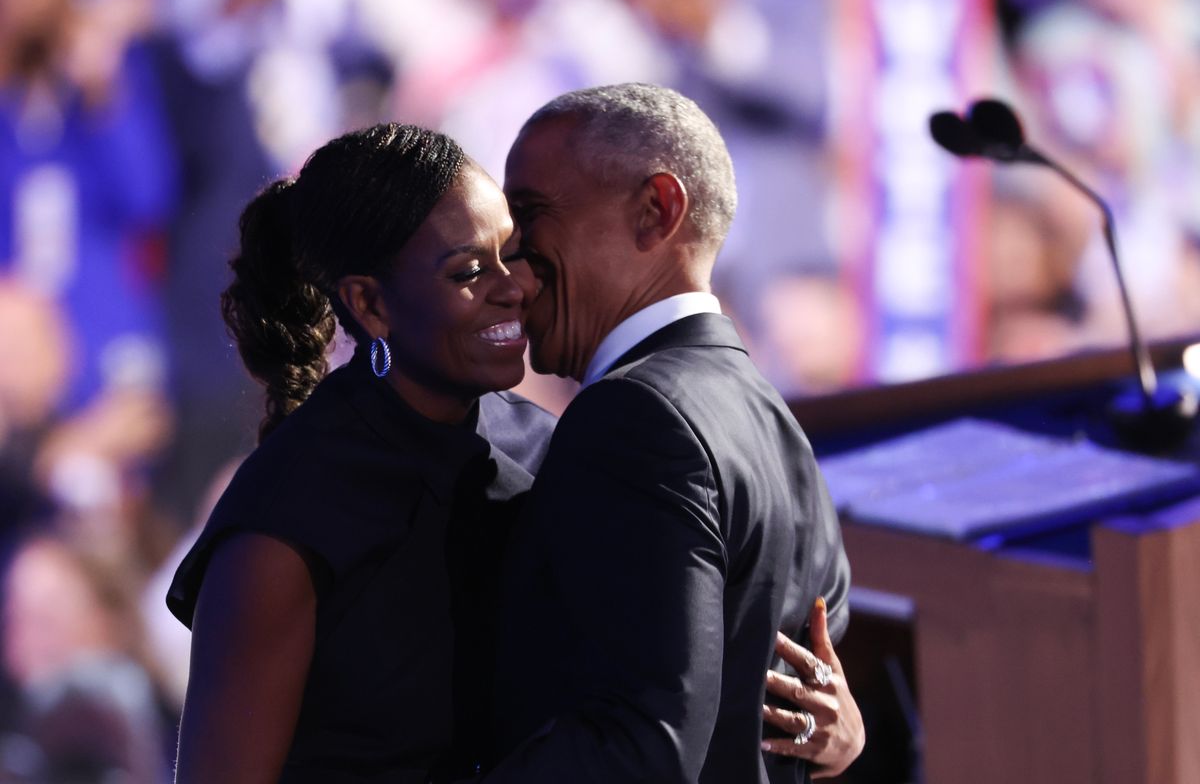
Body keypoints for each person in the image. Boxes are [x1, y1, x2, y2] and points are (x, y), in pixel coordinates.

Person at [483, 83, 854, 783]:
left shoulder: (631, 418)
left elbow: (639, 745)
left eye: (530, 218)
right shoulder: (779, 425)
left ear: (656, 211)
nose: (515, 266)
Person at [166, 123, 556, 782]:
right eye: (467, 270)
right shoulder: (283, 522)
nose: (511, 287)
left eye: (510, 253)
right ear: (369, 305)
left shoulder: (548, 446)